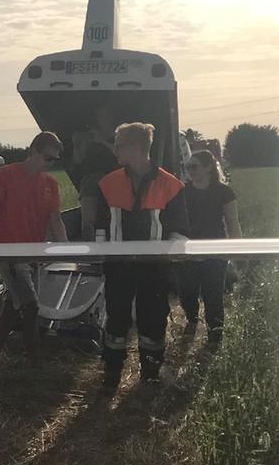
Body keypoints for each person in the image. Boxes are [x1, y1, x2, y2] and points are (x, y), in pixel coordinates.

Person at [97, 122, 190, 393]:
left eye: (119, 144)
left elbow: (180, 229)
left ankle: (149, 373)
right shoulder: (108, 183)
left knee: (153, 319)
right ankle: (112, 373)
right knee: (116, 320)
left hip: (155, 269)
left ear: (136, 148)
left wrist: (172, 257)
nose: (115, 150)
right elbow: (101, 227)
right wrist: (103, 255)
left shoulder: (170, 185)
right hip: (118, 267)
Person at [0, 132, 68, 370]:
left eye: (54, 160)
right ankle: (34, 364)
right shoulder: (7, 175)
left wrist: (69, 251)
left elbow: (56, 221)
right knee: (30, 306)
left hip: (34, 257)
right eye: (47, 158)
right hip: (10, 256)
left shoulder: (50, 185)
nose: (50, 164)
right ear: (33, 151)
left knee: (12, 309)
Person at [177, 149, 241, 346]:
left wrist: (238, 251)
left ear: (208, 168)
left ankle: (215, 335)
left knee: (213, 293)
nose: (190, 171)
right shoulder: (182, 191)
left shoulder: (224, 192)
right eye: (187, 167)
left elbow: (232, 222)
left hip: (215, 251)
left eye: (194, 166)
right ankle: (191, 320)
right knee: (187, 291)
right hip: (188, 252)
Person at [74, 104, 119, 235]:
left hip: (114, 181)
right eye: (100, 116)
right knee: (88, 222)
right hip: (90, 182)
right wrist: (78, 145)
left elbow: (121, 154)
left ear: (112, 117)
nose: (103, 118)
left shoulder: (119, 135)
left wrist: (102, 141)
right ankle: (88, 249)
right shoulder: (90, 136)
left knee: (112, 219)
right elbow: (78, 160)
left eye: (106, 115)